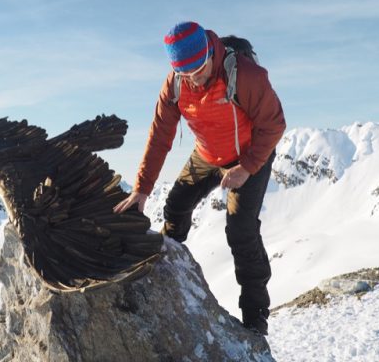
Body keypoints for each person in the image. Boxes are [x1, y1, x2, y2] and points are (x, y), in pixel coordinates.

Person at [113, 21, 286, 335]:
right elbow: (160, 136)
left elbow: (274, 125)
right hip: (208, 154)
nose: (195, 78)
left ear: (210, 52)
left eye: (200, 69)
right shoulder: (176, 84)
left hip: (250, 154)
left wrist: (247, 167)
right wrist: (141, 189)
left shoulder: (245, 75)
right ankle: (165, 260)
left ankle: (255, 316)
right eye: (186, 73)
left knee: (241, 230)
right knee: (176, 205)